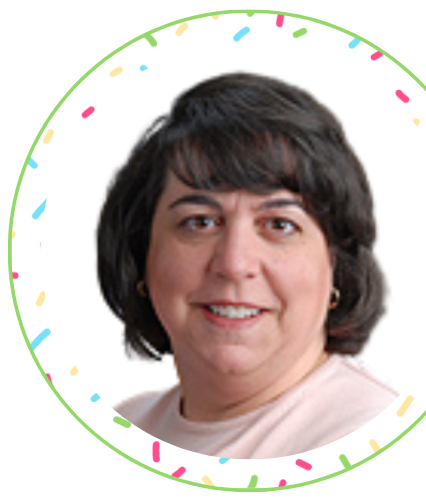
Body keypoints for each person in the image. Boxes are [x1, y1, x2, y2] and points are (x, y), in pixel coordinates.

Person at [97, 72, 398, 459]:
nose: (234, 264)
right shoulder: (126, 424)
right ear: (141, 254)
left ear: (336, 264)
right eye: (200, 222)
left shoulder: (370, 436)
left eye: (280, 225)